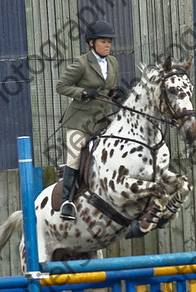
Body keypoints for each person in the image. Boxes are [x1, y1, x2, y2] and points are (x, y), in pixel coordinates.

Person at [56, 20, 122, 220]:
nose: (108, 45)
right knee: (74, 156)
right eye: (103, 41)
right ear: (92, 43)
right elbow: (61, 86)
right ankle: (67, 201)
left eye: (109, 41)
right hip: (80, 121)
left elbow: (109, 89)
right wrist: (83, 92)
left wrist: (114, 95)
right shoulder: (82, 63)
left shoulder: (113, 63)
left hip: (103, 120)